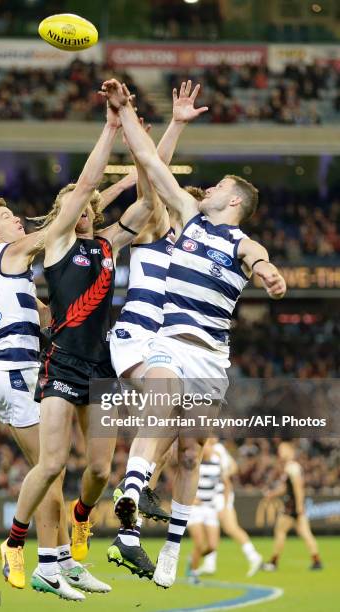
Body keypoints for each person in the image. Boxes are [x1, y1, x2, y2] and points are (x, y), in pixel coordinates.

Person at [102, 77, 287, 588]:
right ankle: (134, 490)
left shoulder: (237, 238)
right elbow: (151, 165)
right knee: (160, 395)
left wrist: (266, 268)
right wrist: (126, 110)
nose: (209, 188)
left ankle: (172, 548)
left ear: (232, 201)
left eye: (220, 185)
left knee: (188, 452)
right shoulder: (185, 218)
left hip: (212, 357)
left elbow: (253, 254)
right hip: (167, 343)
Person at [0, 102, 167, 590]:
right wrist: (113, 128)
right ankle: (14, 543)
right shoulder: (56, 244)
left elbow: (148, 207)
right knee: (52, 463)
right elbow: (90, 183)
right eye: (75, 199)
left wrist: (140, 154)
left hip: (101, 367)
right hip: (62, 363)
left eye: (86, 201)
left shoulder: (109, 244)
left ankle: (81, 519)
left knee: (98, 470)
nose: (83, 204)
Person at [0, 190, 115, 598]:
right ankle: (30, 553)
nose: (18, 220)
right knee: (50, 468)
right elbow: (63, 224)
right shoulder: (9, 253)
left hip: (15, 369)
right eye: (7, 217)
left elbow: (43, 313)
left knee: (55, 469)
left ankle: (60, 563)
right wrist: (82, 198)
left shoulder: (3, 273)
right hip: (16, 370)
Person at [108, 82, 208, 578]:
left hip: (174, 349)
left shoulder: (204, 252)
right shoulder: (153, 231)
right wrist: (174, 125)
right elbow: (153, 174)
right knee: (164, 408)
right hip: (136, 339)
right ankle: (131, 492)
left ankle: (137, 534)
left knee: (184, 441)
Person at [200, 440, 262, 577]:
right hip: (214, 495)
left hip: (221, 494)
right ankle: (210, 563)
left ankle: (254, 556)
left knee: (230, 528)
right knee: (210, 527)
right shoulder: (217, 449)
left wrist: (224, 473)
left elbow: (230, 470)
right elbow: (233, 467)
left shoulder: (216, 449)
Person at [263, 441, 323, 572]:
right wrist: (273, 494)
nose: (280, 452)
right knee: (305, 533)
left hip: (291, 507)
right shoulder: (290, 467)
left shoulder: (292, 467)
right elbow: (286, 487)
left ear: (290, 451)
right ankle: (317, 561)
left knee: (280, 532)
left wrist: (299, 506)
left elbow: (298, 487)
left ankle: (273, 563)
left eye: (282, 449)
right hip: (295, 506)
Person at [185, 439, 222, 582]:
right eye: (208, 445)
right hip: (195, 509)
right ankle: (193, 574)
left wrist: (221, 503)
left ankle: (192, 558)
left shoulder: (217, 462)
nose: (211, 448)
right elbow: (182, 482)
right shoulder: (193, 463)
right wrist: (191, 499)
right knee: (199, 543)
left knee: (212, 546)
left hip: (210, 508)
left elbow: (220, 483)